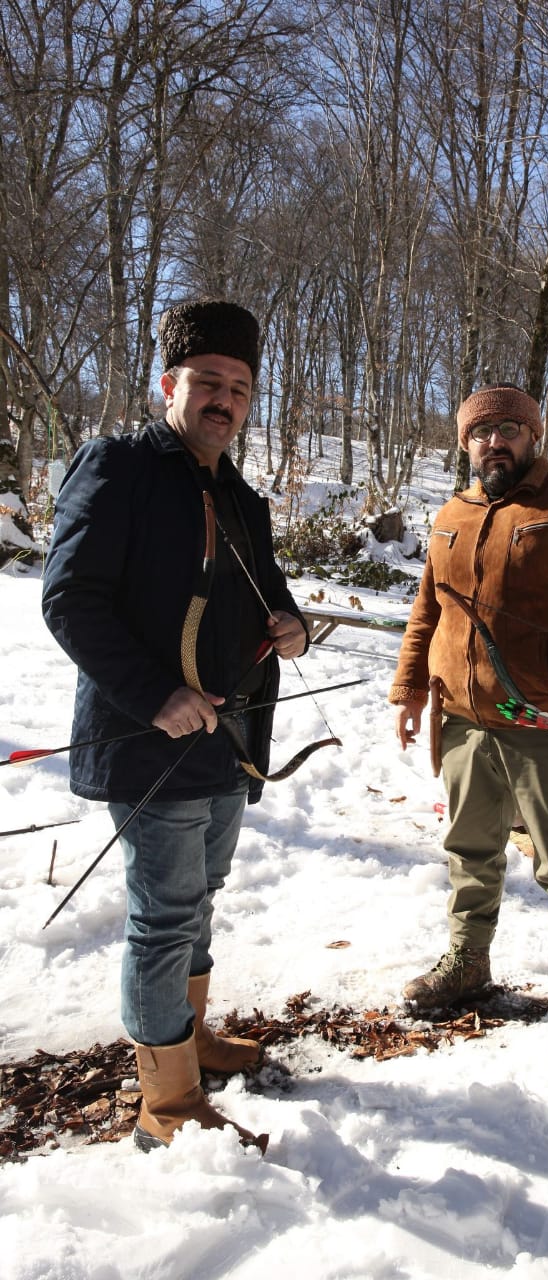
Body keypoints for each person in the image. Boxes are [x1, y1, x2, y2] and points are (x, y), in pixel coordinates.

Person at [43, 299, 309, 1151]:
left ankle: (188, 1039)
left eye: (238, 386)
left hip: (225, 745)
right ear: (170, 385)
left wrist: (290, 621)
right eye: (207, 383)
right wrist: (155, 695)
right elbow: (70, 601)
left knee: (200, 897)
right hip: (148, 739)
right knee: (163, 915)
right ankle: (166, 1098)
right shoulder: (118, 466)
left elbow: (266, 593)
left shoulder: (242, 496)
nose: (223, 400)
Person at [389, 384, 548, 1063]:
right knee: (468, 851)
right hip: (463, 722)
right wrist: (410, 688)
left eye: (509, 428)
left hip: (542, 721)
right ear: (464, 442)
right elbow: (428, 611)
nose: (495, 441)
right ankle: (467, 962)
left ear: (533, 435)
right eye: (481, 431)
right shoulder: (451, 512)